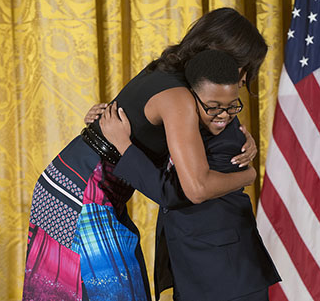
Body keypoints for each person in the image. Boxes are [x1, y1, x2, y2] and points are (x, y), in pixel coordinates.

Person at [23, 7, 266, 301]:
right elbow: (197, 187)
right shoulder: (179, 97)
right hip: (80, 192)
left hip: (75, 183)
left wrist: (241, 135)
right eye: (244, 70)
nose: (242, 81)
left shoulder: (167, 70)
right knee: (111, 292)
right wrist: (249, 174)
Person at [100, 50, 281, 301]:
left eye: (232, 106)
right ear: (190, 98)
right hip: (197, 271)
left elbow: (173, 193)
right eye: (214, 107)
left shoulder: (231, 142)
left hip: (230, 278)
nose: (224, 116)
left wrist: (123, 146)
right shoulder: (183, 122)